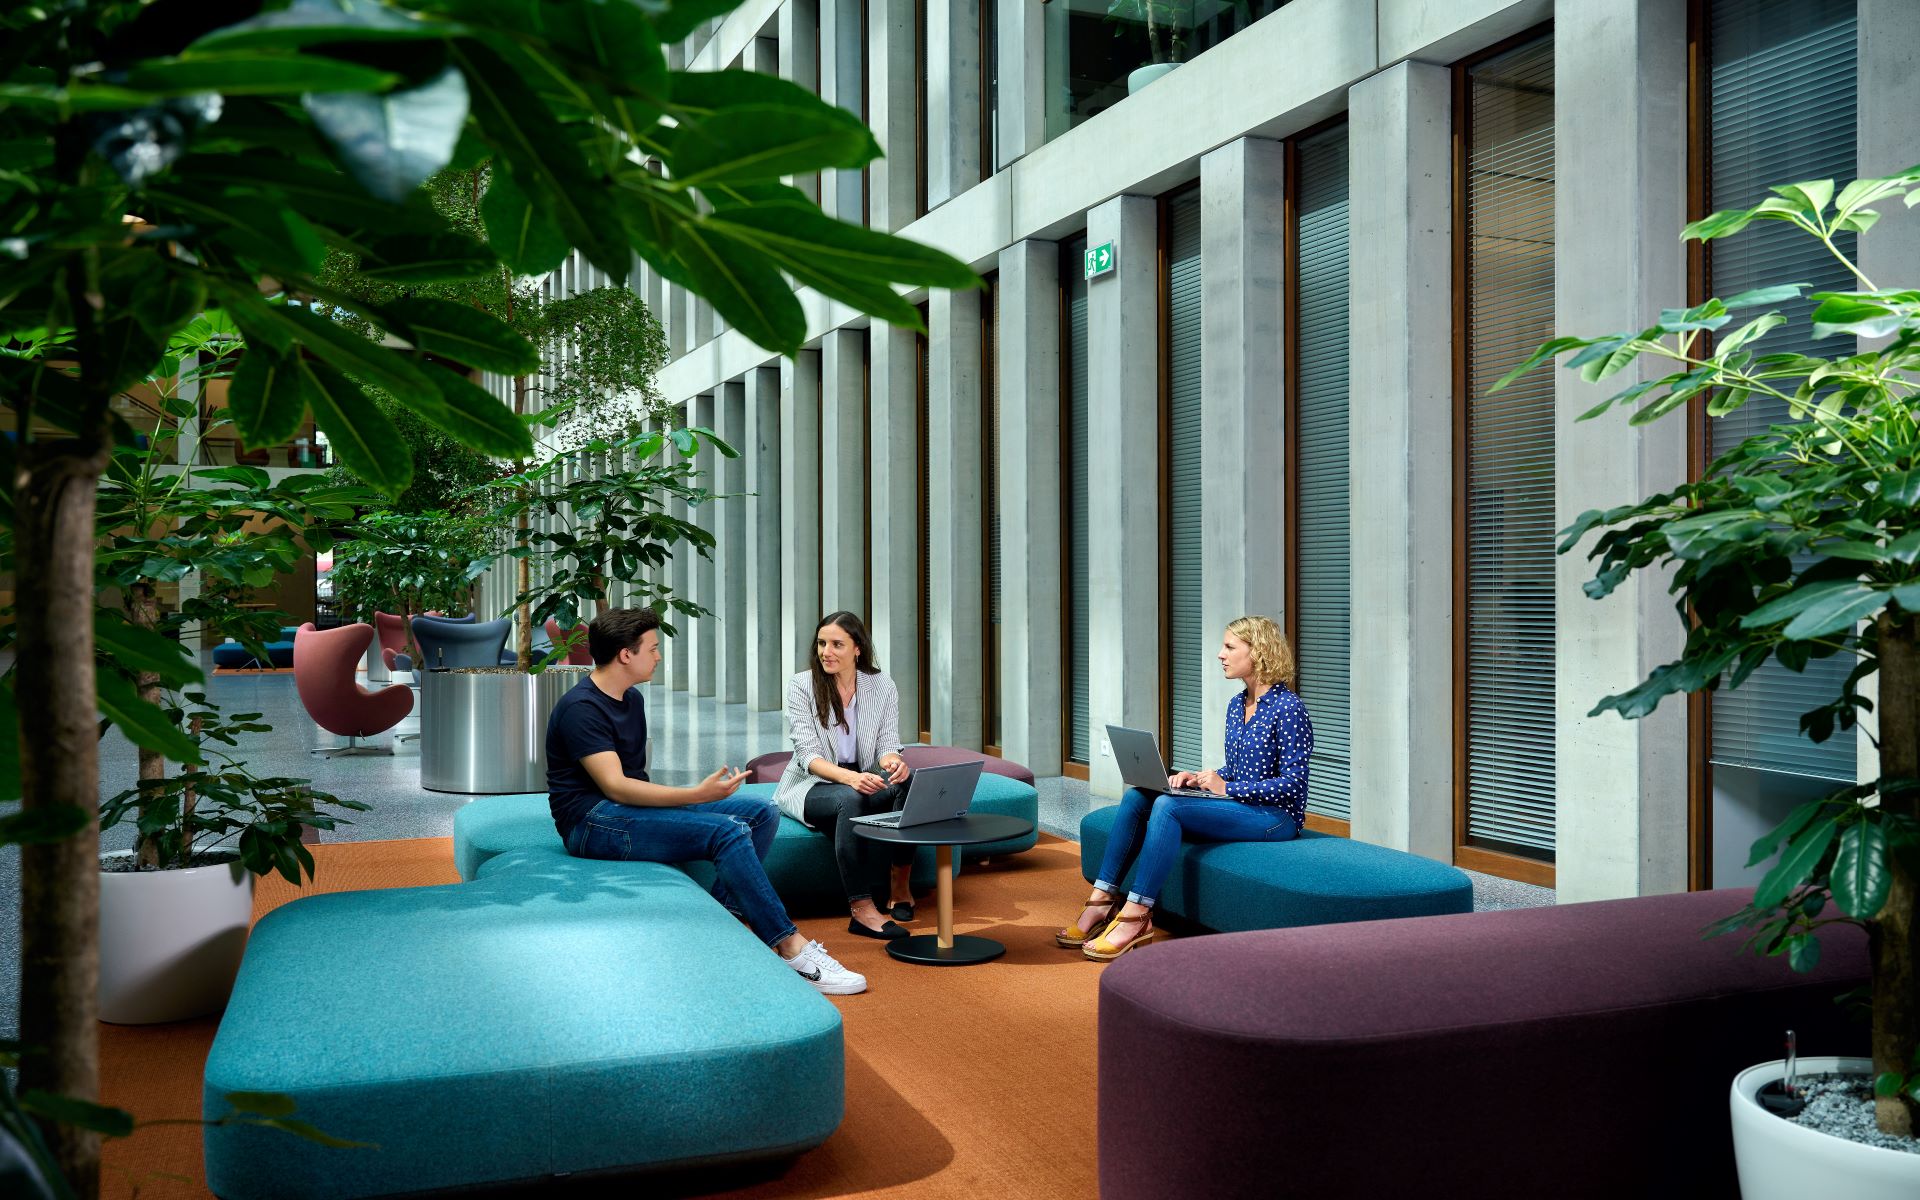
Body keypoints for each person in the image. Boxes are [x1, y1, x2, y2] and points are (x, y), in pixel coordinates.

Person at [546, 607, 867, 996]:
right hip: (591, 822)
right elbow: (616, 787)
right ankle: (791, 948)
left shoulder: (630, 699)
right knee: (727, 832)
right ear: (625, 655)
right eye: (652, 648)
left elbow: (635, 782)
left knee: (762, 812)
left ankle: (721, 925)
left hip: (625, 811)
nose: (659, 656)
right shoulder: (582, 708)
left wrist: (691, 803)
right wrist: (697, 795)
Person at [1059, 615, 1313, 961]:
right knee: (1139, 796)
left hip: (1274, 818)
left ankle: (1136, 917)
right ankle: (1102, 899)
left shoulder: (1290, 709)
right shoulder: (1237, 705)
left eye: (1229, 647)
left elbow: (1294, 784)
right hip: (1242, 804)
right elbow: (1239, 769)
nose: (1220, 654)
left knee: (1169, 807)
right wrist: (1199, 777)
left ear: (1259, 652)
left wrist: (1228, 788)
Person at [773, 611, 918, 940]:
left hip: (863, 778)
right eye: (822, 643)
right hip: (813, 785)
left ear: (858, 649)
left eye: (837, 644)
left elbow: (887, 743)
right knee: (850, 797)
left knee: (908, 780)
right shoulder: (801, 685)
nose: (826, 651)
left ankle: (900, 886)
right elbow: (807, 755)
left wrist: (894, 762)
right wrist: (850, 778)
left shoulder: (881, 685)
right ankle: (862, 909)